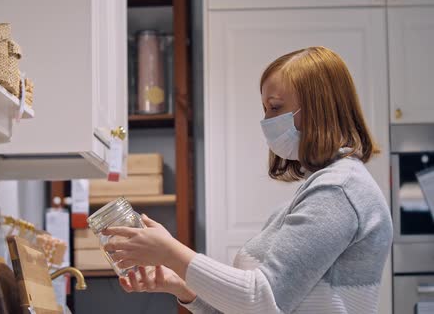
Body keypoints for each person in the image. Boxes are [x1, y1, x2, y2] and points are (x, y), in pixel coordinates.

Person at [102, 46, 393, 314]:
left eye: (275, 107)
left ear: (319, 110)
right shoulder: (316, 192)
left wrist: (171, 252)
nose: (267, 120)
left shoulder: (338, 192)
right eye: (265, 108)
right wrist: (184, 287)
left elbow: (261, 300)